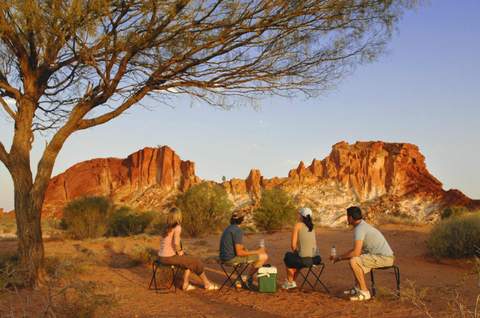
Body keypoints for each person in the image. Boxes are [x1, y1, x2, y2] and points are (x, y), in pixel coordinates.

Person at [331, 206, 395, 301]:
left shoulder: (359, 229)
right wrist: (339, 257)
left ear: (351, 218)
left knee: (354, 261)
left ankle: (364, 292)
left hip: (385, 258)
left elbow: (355, 253)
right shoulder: (362, 226)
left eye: (347, 216)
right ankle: (357, 288)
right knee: (357, 259)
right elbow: (357, 251)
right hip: (384, 257)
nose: (347, 219)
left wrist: (339, 258)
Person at [158, 207, 218, 291]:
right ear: (178, 216)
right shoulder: (177, 227)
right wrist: (179, 252)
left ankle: (185, 284)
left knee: (188, 260)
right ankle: (207, 284)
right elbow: (176, 243)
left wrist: (180, 252)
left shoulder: (166, 227)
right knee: (196, 262)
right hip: (169, 258)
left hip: (161, 257)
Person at [219, 210, 268, 287]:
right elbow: (239, 253)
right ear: (242, 220)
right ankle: (248, 279)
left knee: (246, 254)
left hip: (223, 258)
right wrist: (258, 251)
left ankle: (239, 281)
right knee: (264, 256)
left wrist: (251, 250)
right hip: (230, 260)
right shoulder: (237, 230)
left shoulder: (228, 228)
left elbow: (237, 247)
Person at [282, 207, 321, 289]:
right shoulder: (312, 227)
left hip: (306, 260)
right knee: (298, 258)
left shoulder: (298, 225)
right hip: (316, 259)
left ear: (302, 216)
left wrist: (297, 252)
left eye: (299, 214)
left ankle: (290, 281)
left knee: (288, 257)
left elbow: (293, 246)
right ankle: (292, 282)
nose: (298, 216)